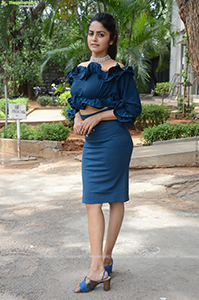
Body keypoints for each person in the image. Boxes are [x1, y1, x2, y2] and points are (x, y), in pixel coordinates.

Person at [67, 12, 142, 293]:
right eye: (91, 33)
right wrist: (76, 117)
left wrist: (98, 117)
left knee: (113, 199)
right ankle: (104, 261)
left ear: (111, 39)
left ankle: (98, 265)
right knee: (92, 202)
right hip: (92, 144)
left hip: (113, 141)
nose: (94, 39)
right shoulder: (81, 67)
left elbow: (131, 109)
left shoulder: (119, 70)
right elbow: (74, 101)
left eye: (100, 34)